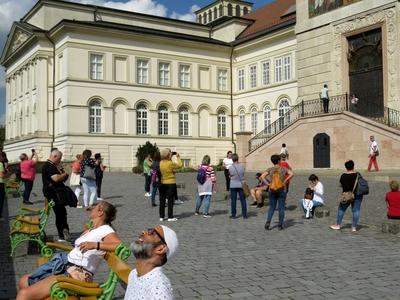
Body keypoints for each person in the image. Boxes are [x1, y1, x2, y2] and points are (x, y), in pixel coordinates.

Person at [16, 201, 121, 300]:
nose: (92, 208)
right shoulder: (93, 228)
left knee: (23, 294)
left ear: (101, 212)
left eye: (96, 206)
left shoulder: (106, 229)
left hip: (76, 275)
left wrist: (95, 245)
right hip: (65, 265)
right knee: (24, 281)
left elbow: (119, 245)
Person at [124, 225, 178, 300]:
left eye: (152, 232)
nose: (143, 232)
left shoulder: (159, 287)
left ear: (160, 249)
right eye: (148, 229)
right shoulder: (133, 274)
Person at [42, 149, 72, 242]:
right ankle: (62, 235)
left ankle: (64, 232)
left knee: (62, 213)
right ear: (54, 156)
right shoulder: (49, 166)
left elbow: (61, 179)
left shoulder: (52, 165)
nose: (60, 160)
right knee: (60, 214)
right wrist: (66, 173)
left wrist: (64, 173)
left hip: (54, 193)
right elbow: (56, 179)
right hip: (54, 194)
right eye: (59, 158)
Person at [260, 154, 294, 230]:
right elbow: (292, 174)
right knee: (281, 208)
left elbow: (262, 177)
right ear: (279, 161)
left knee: (271, 207)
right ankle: (280, 224)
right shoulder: (283, 169)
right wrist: (285, 180)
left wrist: (268, 183)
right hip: (282, 189)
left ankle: (268, 221)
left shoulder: (270, 169)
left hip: (272, 189)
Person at [330, 160, 364, 232]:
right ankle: (354, 227)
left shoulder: (343, 176)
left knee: (341, 209)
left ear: (346, 167)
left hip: (346, 195)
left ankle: (338, 225)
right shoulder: (358, 175)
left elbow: (341, 185)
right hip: (357, 195)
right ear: (353, 166)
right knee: (356, 210)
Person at [159, 148, 182, 222]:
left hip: (162, 182)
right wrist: (178, 157)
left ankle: (161, 216)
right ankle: (170, 217)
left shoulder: (161, 162)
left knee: (162, 200)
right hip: (170, 183)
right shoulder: (170, 163)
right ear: (168, 155)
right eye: (170, 153)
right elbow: (180, 165)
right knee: (170, 200)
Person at [228, 153, 247, 219]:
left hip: (233, 184)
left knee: (233, 200)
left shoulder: (230, 167)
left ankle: (233, 215)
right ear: (237, 158)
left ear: (232, 159)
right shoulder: (242, 166)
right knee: (243, 200)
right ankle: (244, 215)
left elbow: (230, 175)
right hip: (241, 184)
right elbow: (243, 174)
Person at [0, 151, 6, 222]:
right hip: (0, 183)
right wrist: (6, 173)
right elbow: (1, 176)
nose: (4, 158)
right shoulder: (0, 164)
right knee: (1, 200)